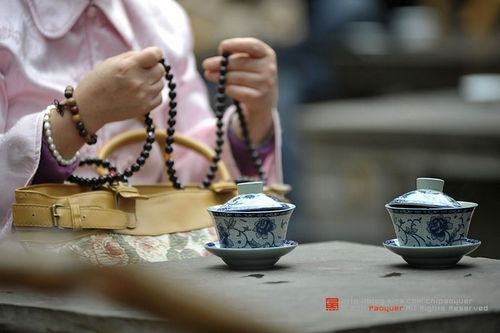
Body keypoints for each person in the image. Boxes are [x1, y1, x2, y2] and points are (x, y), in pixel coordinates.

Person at [0, 1, 283, 263]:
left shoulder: (162, 17)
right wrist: (81, 114)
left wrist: (251, 119)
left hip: (163, 283)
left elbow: (188, 182)